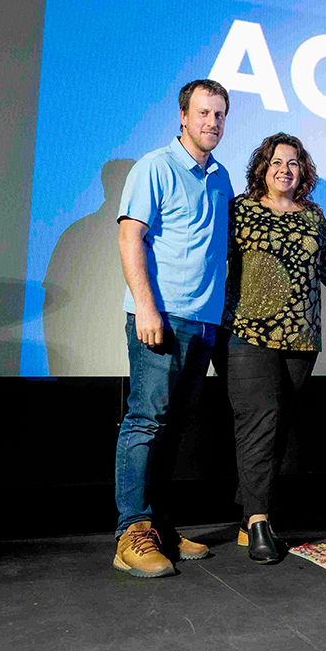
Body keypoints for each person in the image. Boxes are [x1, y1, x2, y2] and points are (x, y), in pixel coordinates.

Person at [113, 78, 233, 578]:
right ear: (183, 117)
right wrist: (145, 306)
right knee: (145, 420)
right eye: (203, 113)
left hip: (203, 322)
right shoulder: (155, 166)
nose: (212, 122)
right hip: (161, 316)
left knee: (173, 427)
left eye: (220, 115)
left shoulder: (222, 176)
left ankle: (160, 525)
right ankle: (131, 532)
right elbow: (130, 234)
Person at [220, 133, 326, 564]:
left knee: (277, 426)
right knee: (259, 422)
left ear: (303, 171)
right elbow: (215, 262)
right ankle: (260, 522)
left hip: (301, 340)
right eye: (276, 162)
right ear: (262, 169)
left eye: (293, 162)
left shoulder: (314, 216)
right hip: (247, 333)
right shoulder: (241, 210)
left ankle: (249, 516)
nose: (285, 169)